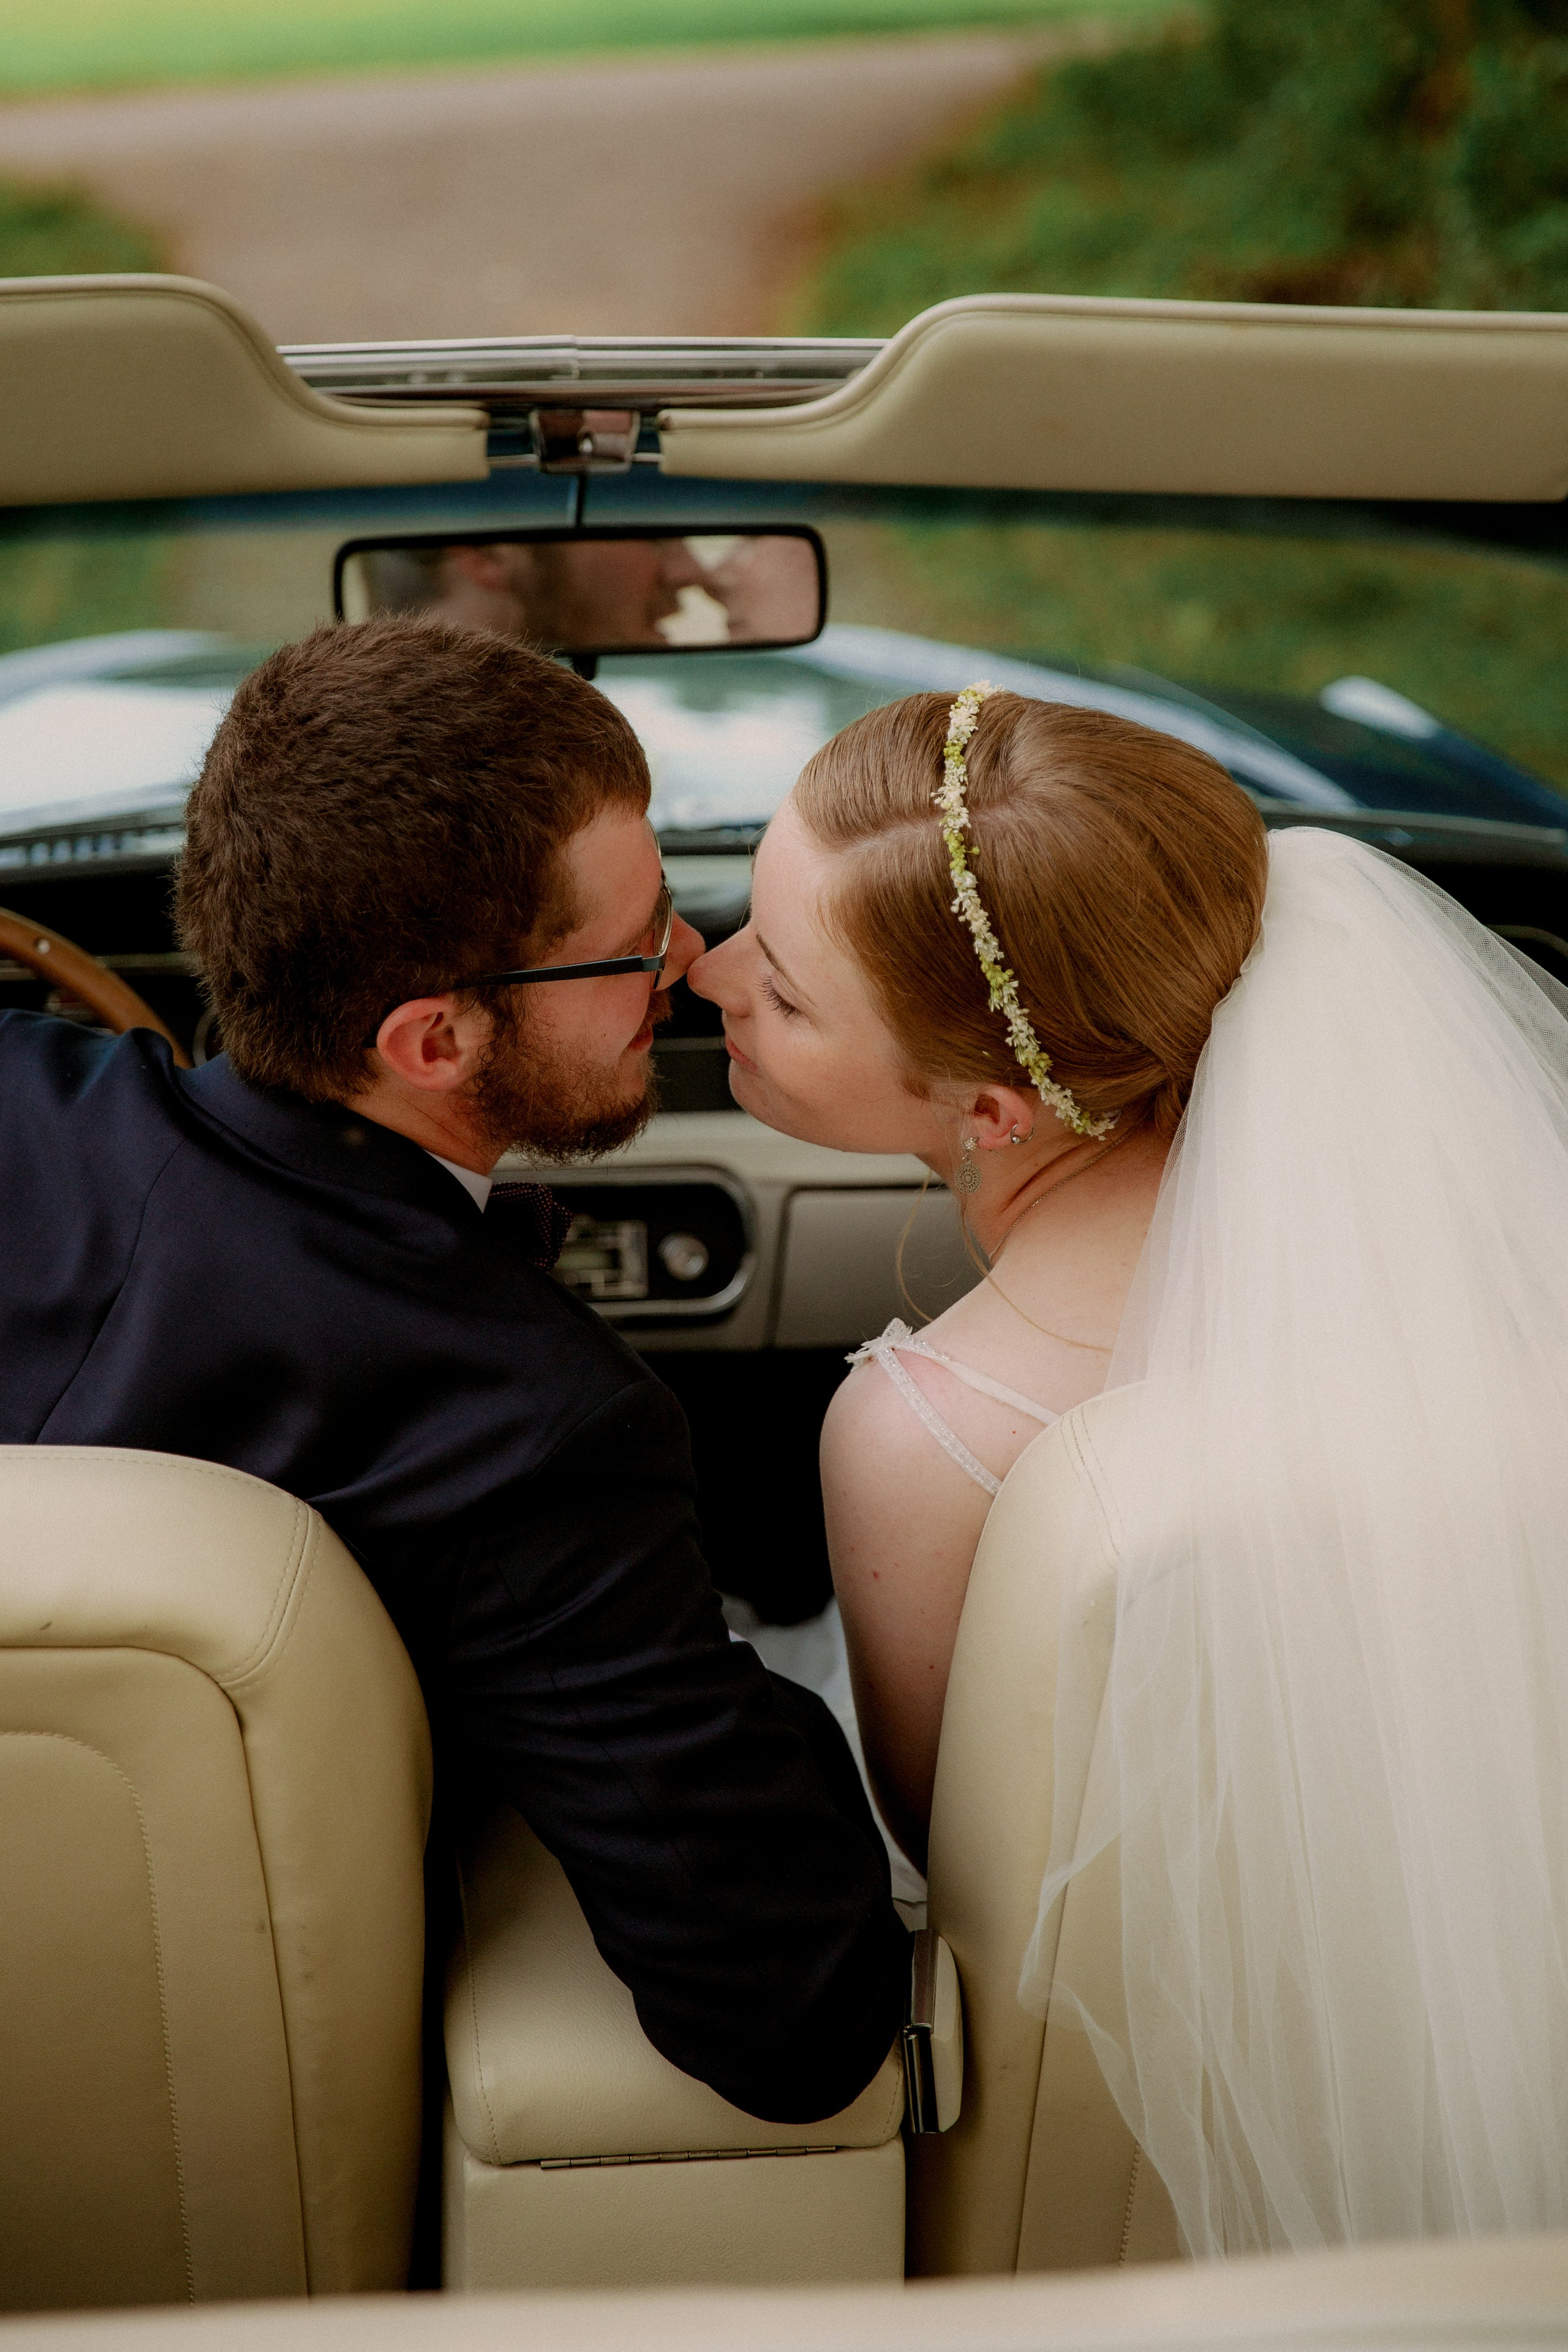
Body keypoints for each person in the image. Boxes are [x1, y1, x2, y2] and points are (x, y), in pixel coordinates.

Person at [690, 685, 1568, 2252]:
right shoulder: (1505, 1297)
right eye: (741, 911)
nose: (704, 971)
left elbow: (960, 1880)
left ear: (992, 1109)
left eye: (790, 990)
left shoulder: (923, 1437)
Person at [0, 616, 907, 2131]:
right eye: (632, 942)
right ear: (432, 1040)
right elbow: (795, 2012)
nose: (683, 964)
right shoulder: (532, 1428)